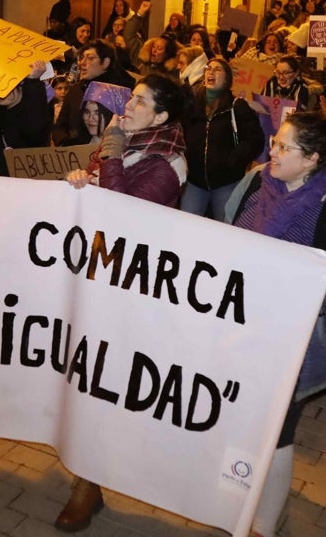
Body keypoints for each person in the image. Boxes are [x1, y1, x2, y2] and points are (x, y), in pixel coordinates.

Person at [224, 111, 326, 535]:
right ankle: (233, 498)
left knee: (279, 433)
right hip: (237, 329)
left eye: (285, 147)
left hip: (293, 346)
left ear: (312, 159)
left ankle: (264, 526)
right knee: (241, 421)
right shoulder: (253, 183)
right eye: (275, 142)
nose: (274, 151)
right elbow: (224, 235)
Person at [59, 74, 187, 530]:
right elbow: (97, 193)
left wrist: (109, 156)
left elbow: (121, 214)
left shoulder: (167, 163)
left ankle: (88, 484)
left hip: (126, 287)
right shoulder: (124, 145)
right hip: (95, 274)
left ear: (162, 116)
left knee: (100, 380)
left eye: (141, 101)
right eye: (132, 97)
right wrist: (80, 178)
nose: (129, 105)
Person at [180, 59, 265, 219]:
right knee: (186, 226)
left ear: (227, 79)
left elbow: (255, 140)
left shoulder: (237, 107)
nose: (211, 72)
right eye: (208, 68)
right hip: (194, 181)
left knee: (224, 227)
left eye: (218, 70)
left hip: (226, 182)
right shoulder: (192, 106)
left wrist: (233, 160)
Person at [51, 40, 133, 146]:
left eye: (90, 58)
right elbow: (60, 126)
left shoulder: (120, 93)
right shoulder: (75, 90)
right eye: (82, 58)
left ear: (105, 62)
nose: (82, 63)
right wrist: (64, 142)